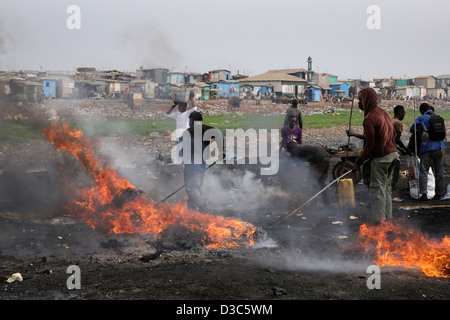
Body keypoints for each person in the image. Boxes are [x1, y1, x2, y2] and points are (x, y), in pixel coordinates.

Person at [352, 88, 399, 223]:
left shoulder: (369, 119)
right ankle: (388, 219)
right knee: (386, 189)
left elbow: (369, 145)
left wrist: (358, 163)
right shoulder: (384, 113)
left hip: (382, 158)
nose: (359, 103)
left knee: (377, 190)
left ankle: (379, 222)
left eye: (360, 100)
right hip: (393, 155)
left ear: (368, 100)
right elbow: (393, 135)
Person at [181, 111, 217, 212]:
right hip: (201, 165)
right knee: (196, 187)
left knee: (191, 189)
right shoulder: (209, 130)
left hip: (191, 166)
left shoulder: (188, 132)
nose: (189, 122)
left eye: (189, 120)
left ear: (192, 120)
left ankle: (205, 210)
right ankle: (192, 212)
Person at [409, 103, 446, 201]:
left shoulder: (421, 118)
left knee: (424, 171)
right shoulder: (439, 118)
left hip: (428, 148)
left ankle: (424, 194)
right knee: (439, 171)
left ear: (422, 110)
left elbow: (412, 129)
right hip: (441, 148)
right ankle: (439, 194)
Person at [286, 140, 331, 205]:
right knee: (323, 182)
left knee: (311, 182)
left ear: (291, 147)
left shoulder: (295, 150)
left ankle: (313, 204)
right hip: (327, 158)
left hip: (318, 160)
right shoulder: (302, 148)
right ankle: (327, 204)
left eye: (289, 150)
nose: (290, 152)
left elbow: (289, 163)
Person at [165, 91, 197, 156]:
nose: (178, 107)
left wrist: (191, 98)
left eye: (180, 106)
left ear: (184, 107)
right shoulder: (177, 115)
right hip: (178, 136)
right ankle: (182, 163)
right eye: (178, 106)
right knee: (180, 152)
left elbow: (195, 109)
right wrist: (174, 105)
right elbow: (166, 114)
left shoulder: (188, 113)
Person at [391, 105, 411, 190]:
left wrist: (401, 149)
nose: (404, 115)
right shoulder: (398, 123)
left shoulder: (389, 120)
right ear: (400, 112)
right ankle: (393, 187)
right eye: (403, 113)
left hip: (386, 149)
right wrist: (406, 150)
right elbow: (397, 140)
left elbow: (391, 140)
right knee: (396, 169)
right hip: (392, 151)